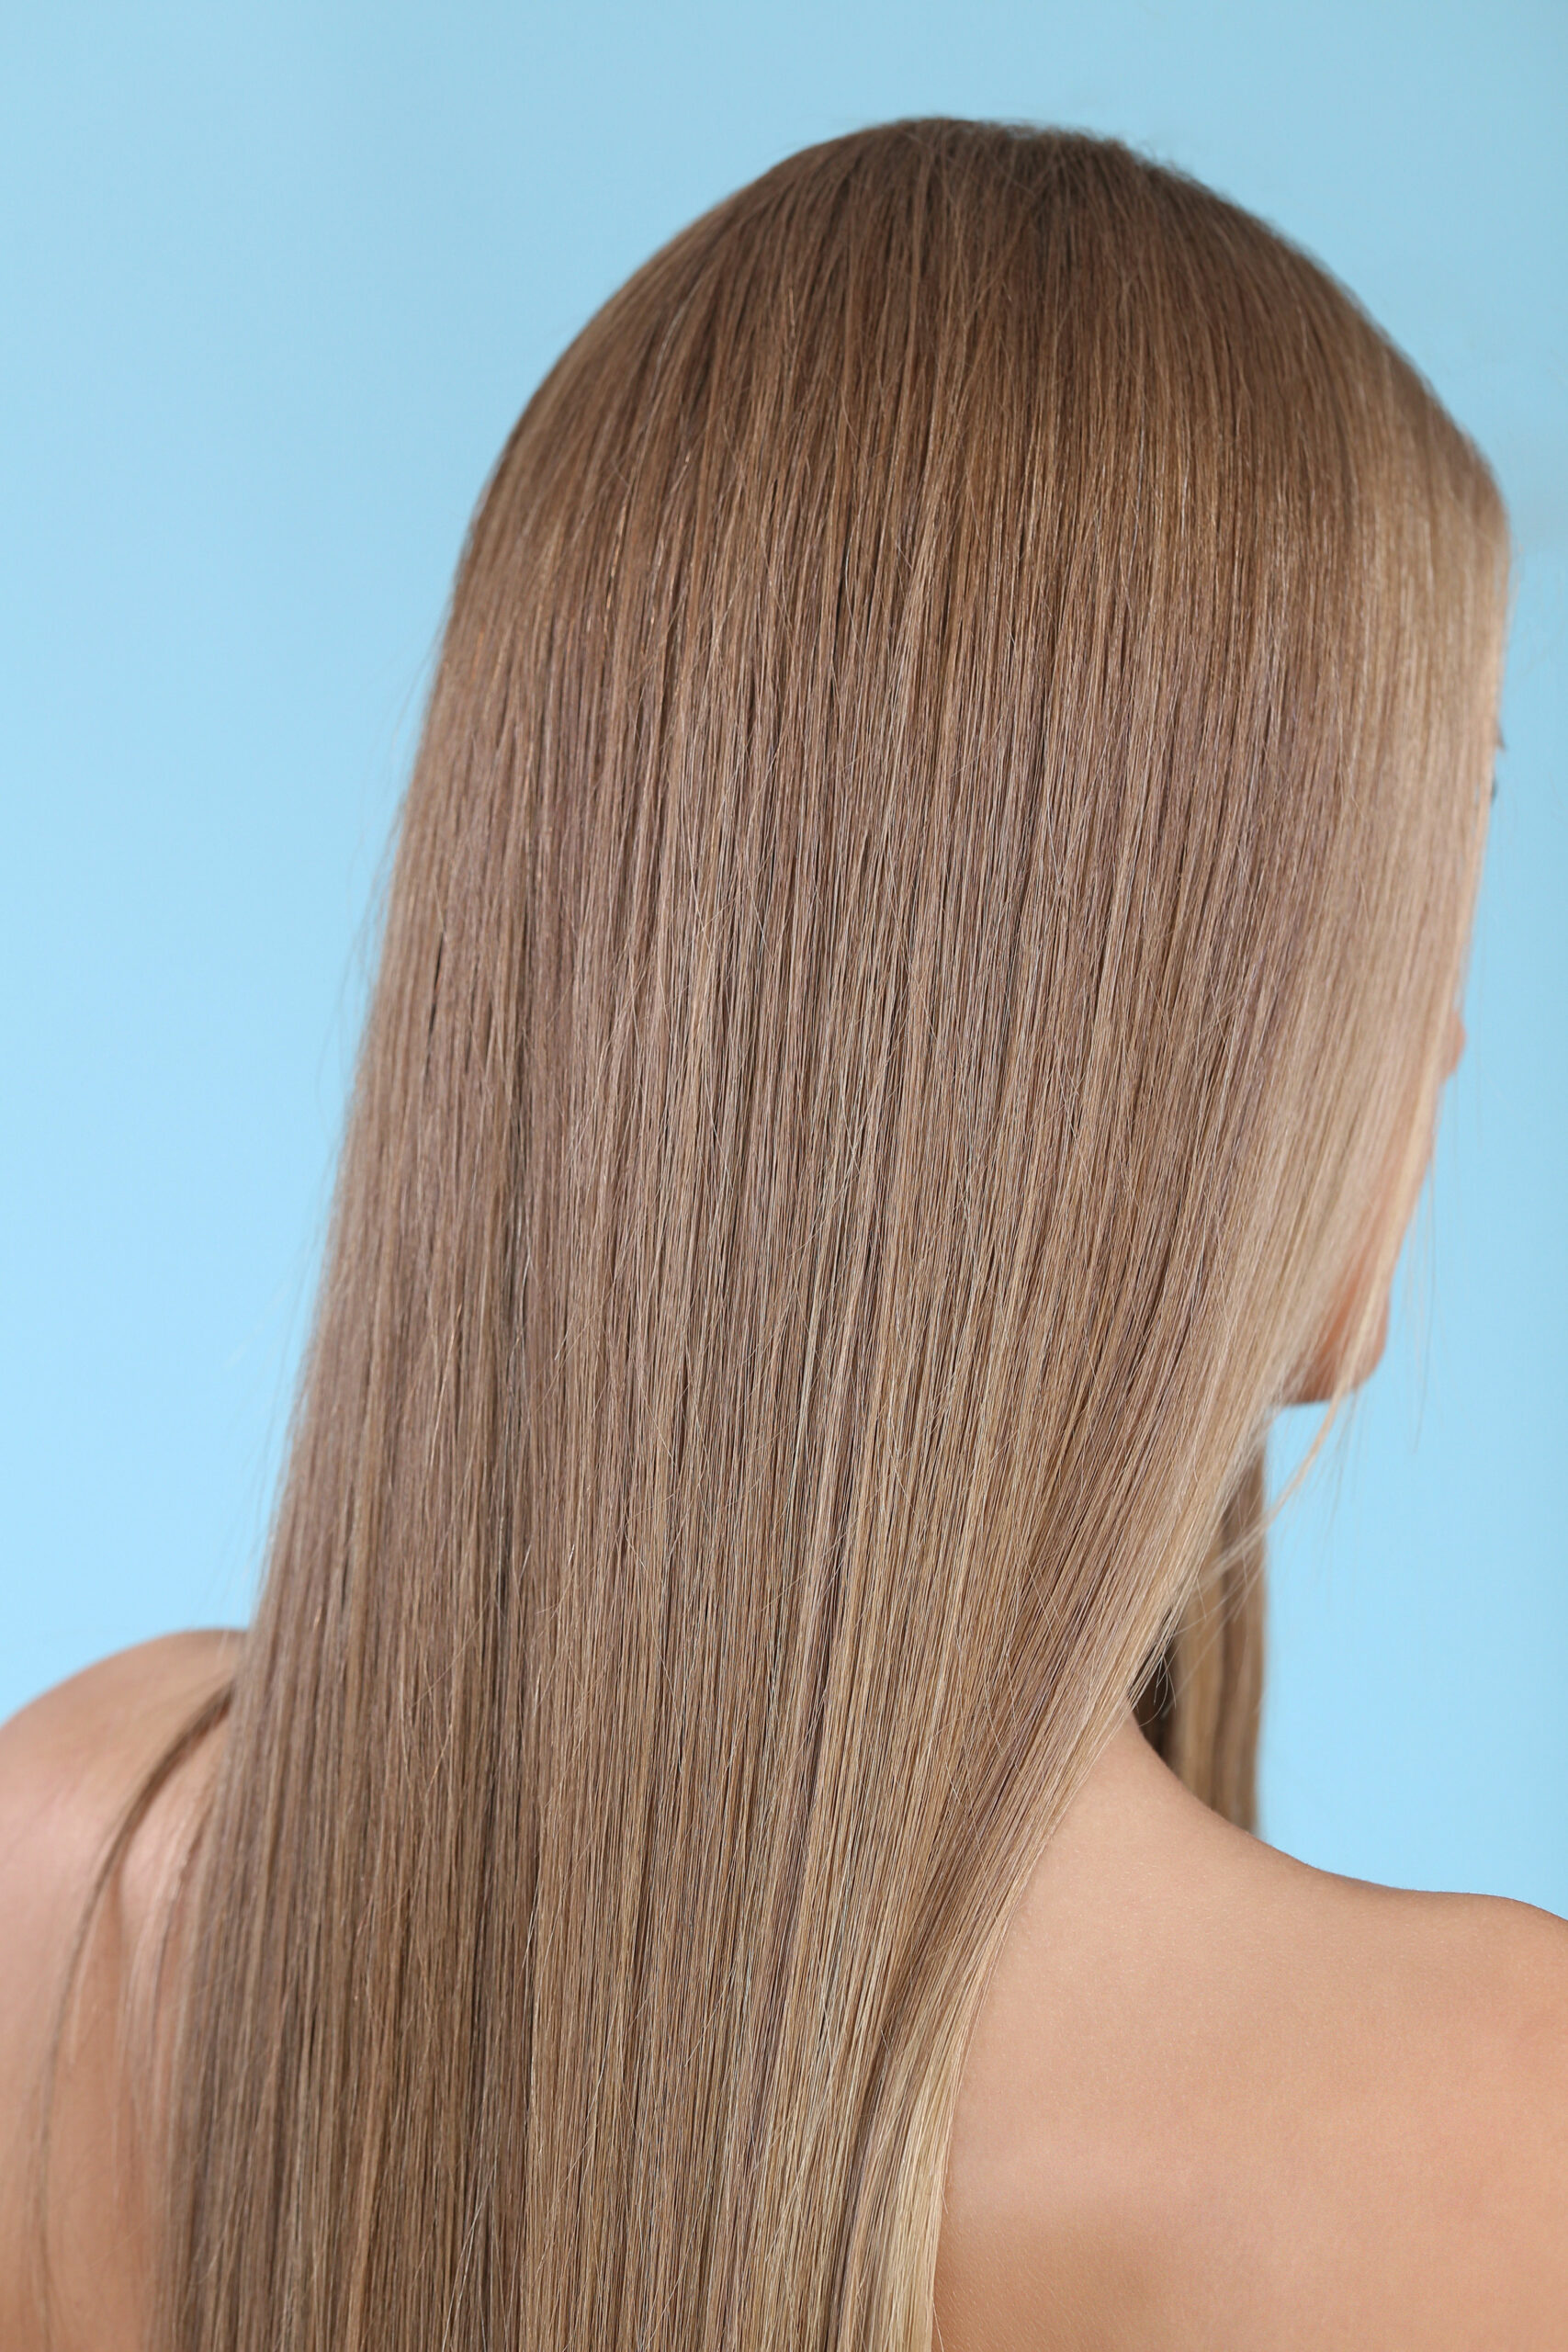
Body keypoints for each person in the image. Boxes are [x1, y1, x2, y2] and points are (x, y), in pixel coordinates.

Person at [1, 116, 1562, 2352]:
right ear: (1154, 968)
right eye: (1433, 833)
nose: (1443, 1026)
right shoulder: (1491, 2128)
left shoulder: (67, 1872)